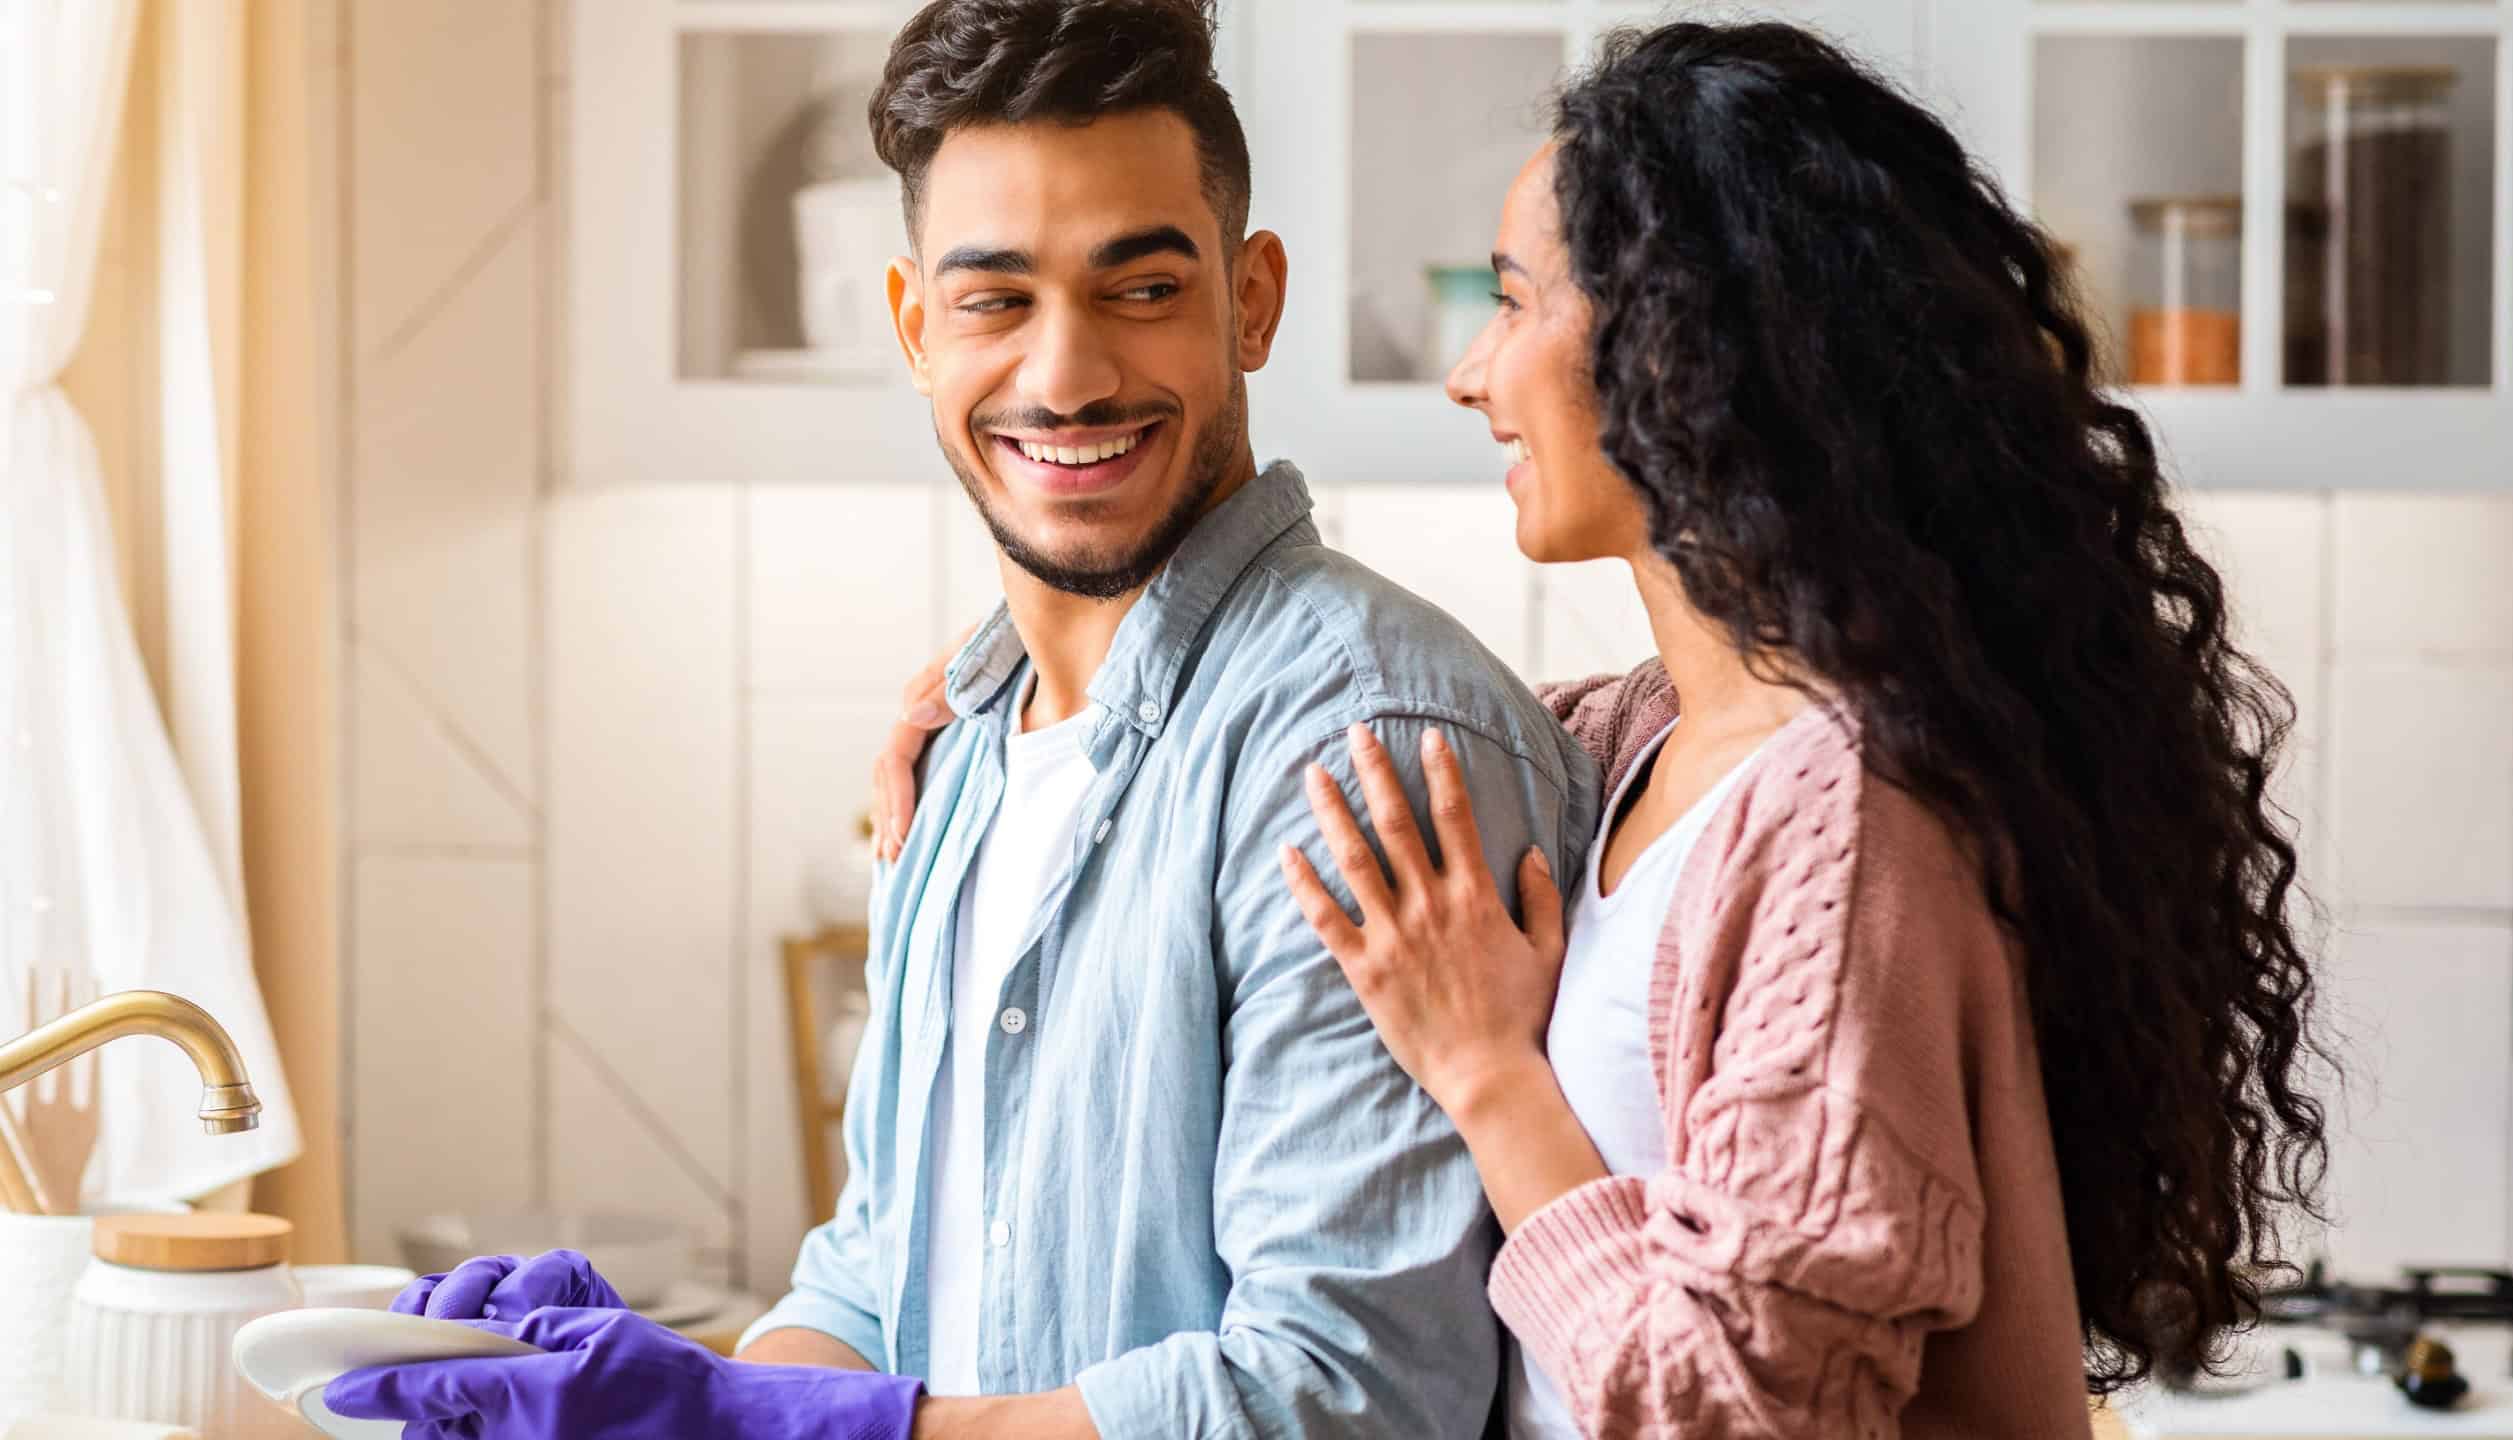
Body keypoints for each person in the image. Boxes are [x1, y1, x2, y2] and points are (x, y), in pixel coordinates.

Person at [875, 20, 2335, 1440]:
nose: (1474, 371)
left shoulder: (1853, 821)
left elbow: (1761, 1416)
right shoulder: (1652, 743)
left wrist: (1494, 1078)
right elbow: (1308, 699)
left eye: (1514, 303)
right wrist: (1000, 688)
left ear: (1687, 348)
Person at [324, 2, 1596, 1439]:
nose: (1065, 376)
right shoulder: (962, 753)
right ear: (917, 329)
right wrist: (686, 1393)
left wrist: (774, 1427)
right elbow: (879, 1280)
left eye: (1140, 289)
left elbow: (1341, 1397)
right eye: (997, 300)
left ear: (1250, 300)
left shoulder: (1356, 751)